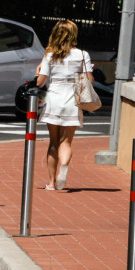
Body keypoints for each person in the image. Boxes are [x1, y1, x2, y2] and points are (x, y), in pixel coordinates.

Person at [35, 18, 93, 191]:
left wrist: (38, 71)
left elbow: (40, 82)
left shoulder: (50, 55)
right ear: (73, 35)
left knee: (53, 142)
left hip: (53, 99)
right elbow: (89, 80)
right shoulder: (82, 54)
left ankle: (52, 183)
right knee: (66, 141)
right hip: (72, 100)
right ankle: (65, 167)